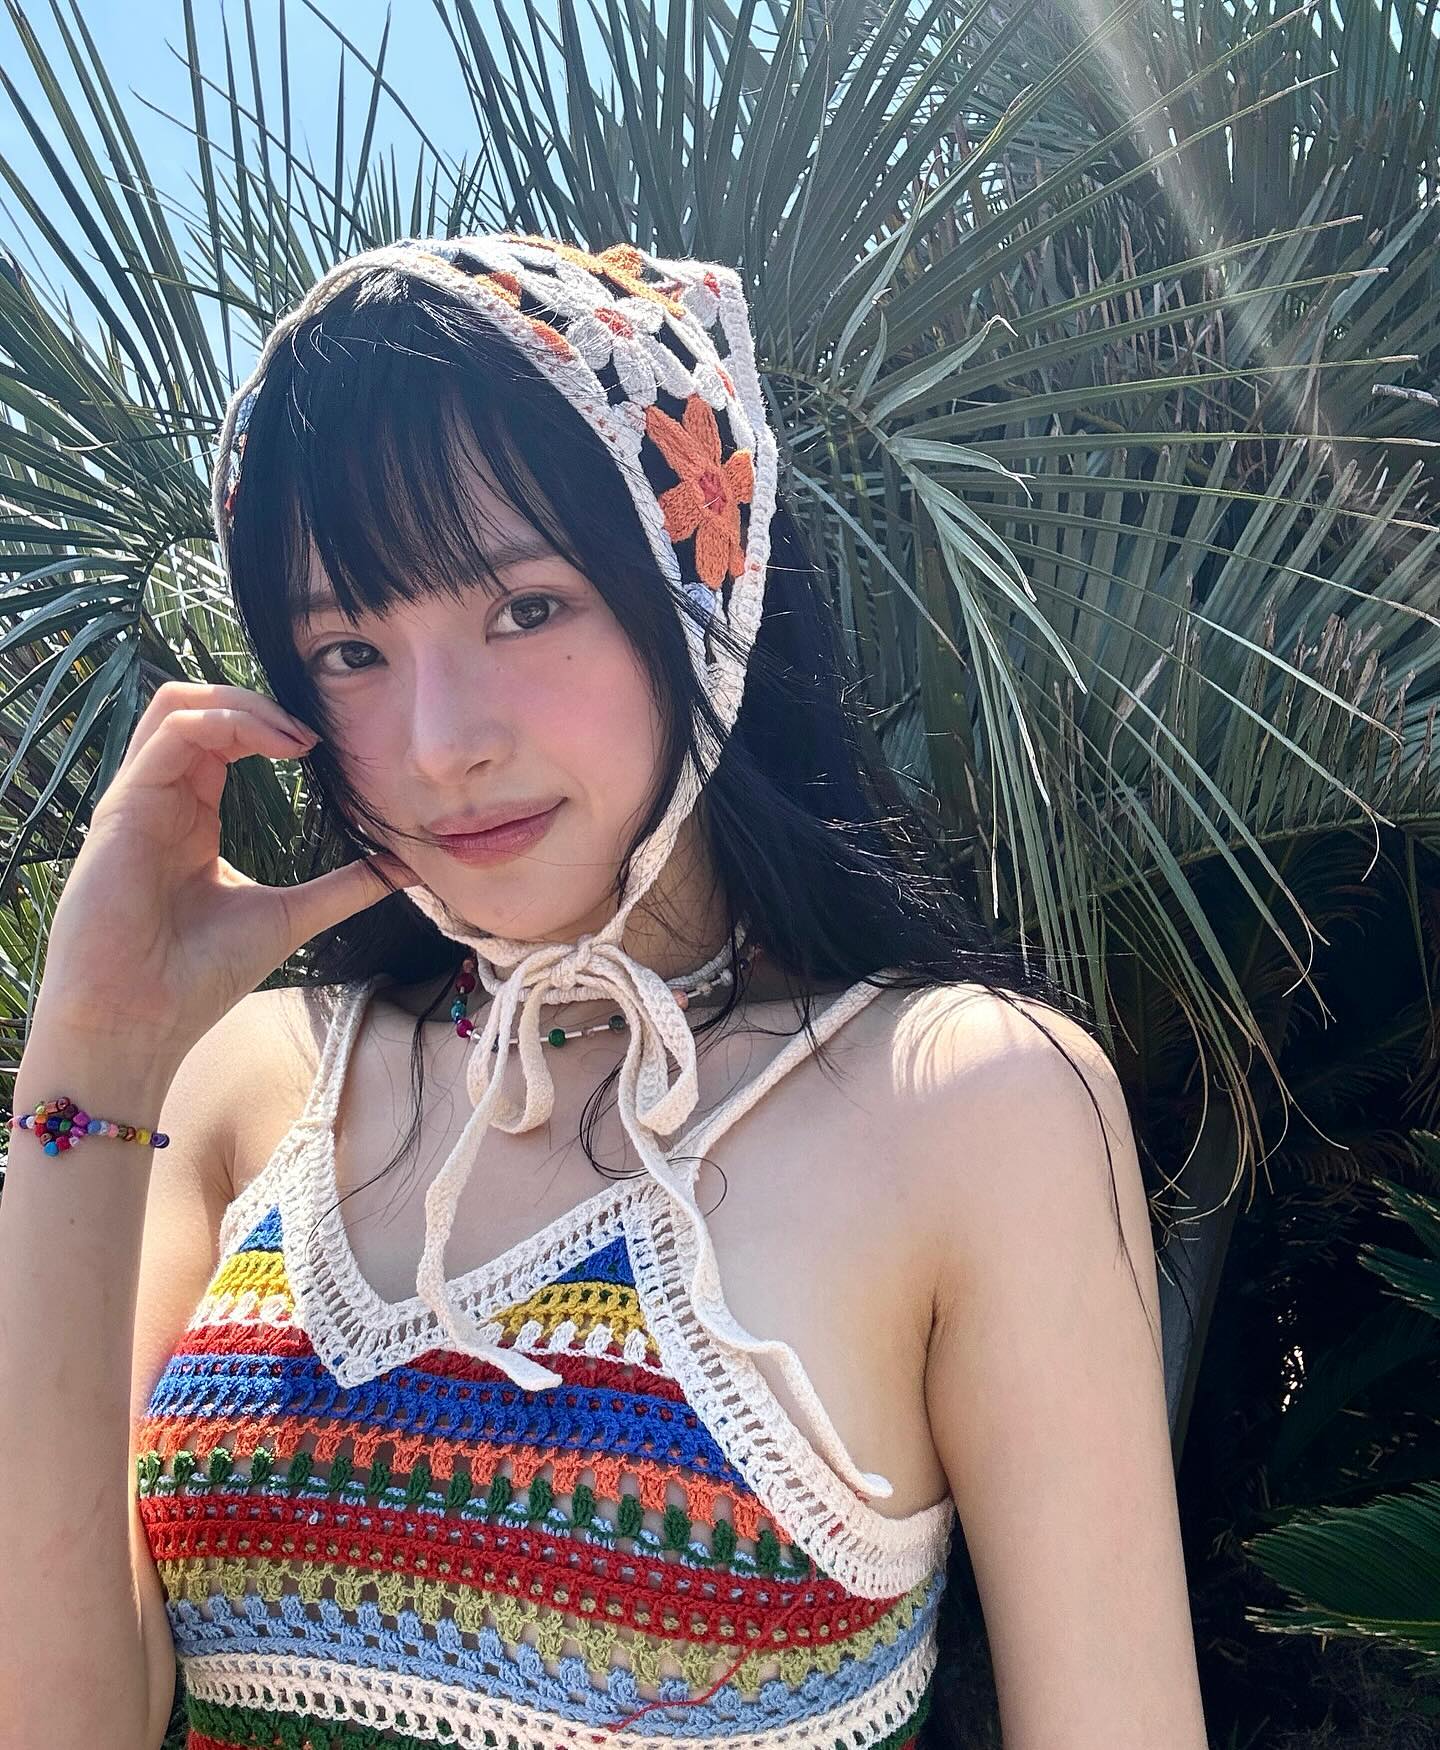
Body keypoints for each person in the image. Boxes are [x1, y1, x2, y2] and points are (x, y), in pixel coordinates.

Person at [0, 234, 1208, 1749]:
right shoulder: (251, 1085)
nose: (439, 742)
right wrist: (92, 1068)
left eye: (524, 608)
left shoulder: (972, 1102)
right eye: (352, 648)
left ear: (703, 587)